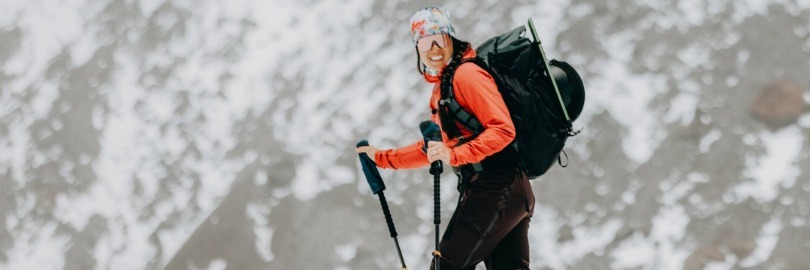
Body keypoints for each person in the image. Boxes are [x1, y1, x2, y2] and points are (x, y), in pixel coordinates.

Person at [356, 6, 534, 270]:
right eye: (426, 42)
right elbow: (437, 148)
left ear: (452, 39)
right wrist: (382, 158)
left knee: (445, 267)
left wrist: (454, 155)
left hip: (497, 186)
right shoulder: (444, 88)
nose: (434, 48)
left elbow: (503, 129)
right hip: (502, 189)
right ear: (417, 47)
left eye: (441, 38)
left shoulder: (467, 75)